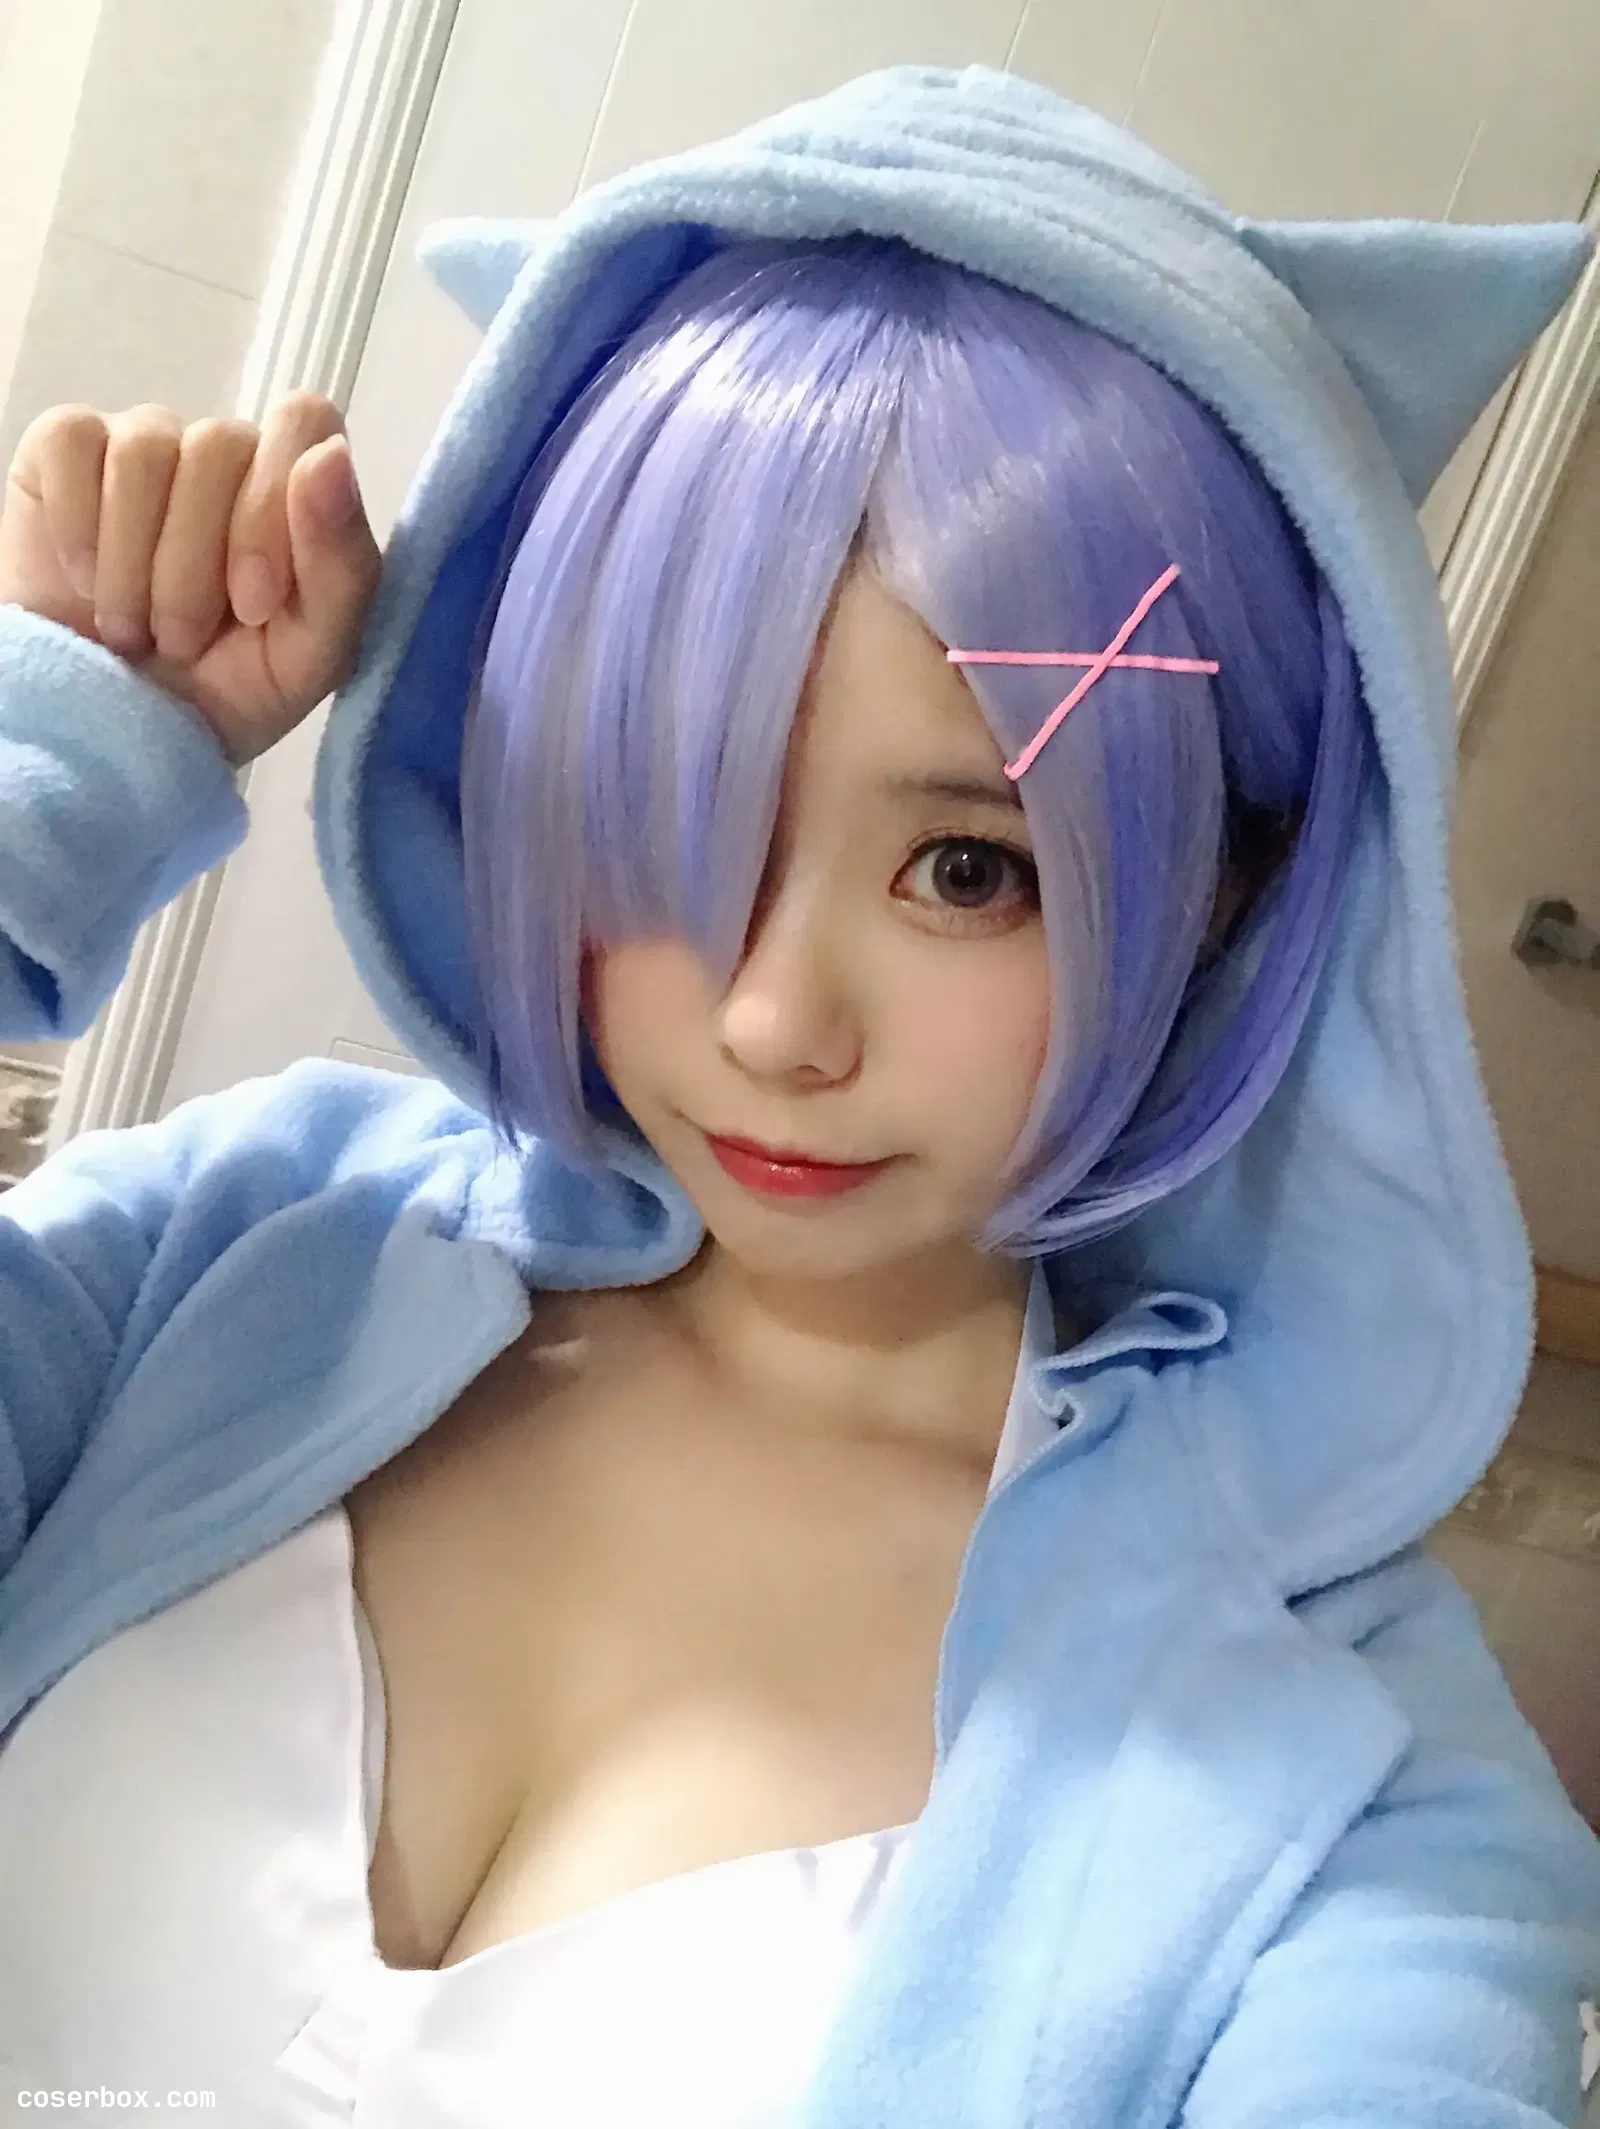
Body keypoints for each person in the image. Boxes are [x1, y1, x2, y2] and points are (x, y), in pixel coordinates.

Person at [0, 60, 1597, 2128]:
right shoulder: (219, 1249)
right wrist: (56, 772)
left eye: (968, 870)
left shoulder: (1352, 1775)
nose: (770, 1022)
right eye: (667, 815)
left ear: (1231, 887)